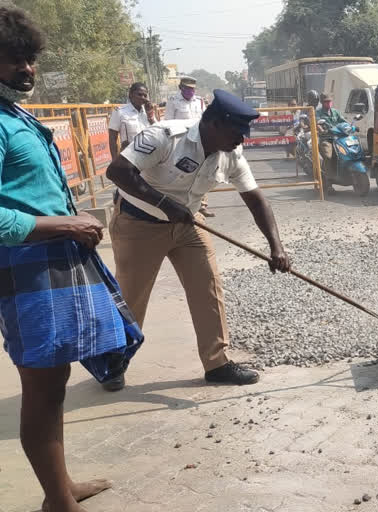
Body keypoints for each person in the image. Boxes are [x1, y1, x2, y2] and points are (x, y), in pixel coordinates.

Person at [0, 6, 143, 511]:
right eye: (15, 59)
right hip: (26, 270)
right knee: (41, 386)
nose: (28, 70)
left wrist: (69, 219)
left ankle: (57, 488)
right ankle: (59, 502)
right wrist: (63, 224)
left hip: (53, 263)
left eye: (31, 59)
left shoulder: (12, 113)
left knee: (56, 380)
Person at [105, 89, 291, 390]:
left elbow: (256, 200)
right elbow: (117, 170)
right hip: (139, 223)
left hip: (189, 224)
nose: (241, 139)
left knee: (208, 288)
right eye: (237, 132)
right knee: (131, 296)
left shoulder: (230, 154)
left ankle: (217, 363)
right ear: (214, 124)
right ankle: (113, 362)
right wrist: (164, 203)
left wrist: (276, 247)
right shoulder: (165, 136)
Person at [164, 76, 215, 217]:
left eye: (192, 89)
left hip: (198, 141)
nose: (190, 91)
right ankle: (180, 203)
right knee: (181, 173)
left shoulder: (199, 101)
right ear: (181, 88)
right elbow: (168, 122)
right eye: (187, 88)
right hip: (180, 142)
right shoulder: (173, 101)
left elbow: (204, 120)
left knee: (201, 172)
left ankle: (202, 205)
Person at [108, 82, 156, 160]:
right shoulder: (120, 112)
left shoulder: (148, 111)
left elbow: (157, 130)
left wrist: (150, 116)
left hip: (150, 155)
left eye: (145, 95)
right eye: (139, 94)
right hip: (130, 157)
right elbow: (112, 138)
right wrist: (115, 159)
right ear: (130, 95)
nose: (143, 97)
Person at [317, 92, 346, 179]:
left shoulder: (335, 112)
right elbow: (317, 123)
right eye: (326, 101)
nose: (328, 103)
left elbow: (343, 120)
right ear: (322, 102)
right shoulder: (318, 112)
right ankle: (328, 181)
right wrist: (321, 130)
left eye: (330, 101)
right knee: (328, 157)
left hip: (339, 138)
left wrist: (352, 126)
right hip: (326, 139)